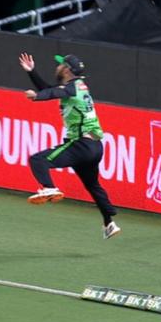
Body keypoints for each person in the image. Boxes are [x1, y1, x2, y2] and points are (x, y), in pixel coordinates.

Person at [18, 52, 121, 239]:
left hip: (82, 145)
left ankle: (49, 187)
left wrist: (37, 96)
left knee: (38, 160)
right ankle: (109, 222)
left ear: (66, 70)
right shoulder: (76, 86)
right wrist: (32, 72)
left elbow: (52, 92)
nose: (57, 67)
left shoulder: (72, 88)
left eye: (60, 65)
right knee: (92, 184)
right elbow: (52, 89)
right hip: (95, 146)